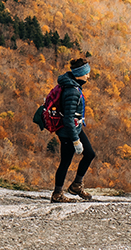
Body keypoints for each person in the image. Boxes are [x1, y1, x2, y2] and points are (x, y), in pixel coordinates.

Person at [52, 57, 97, 203]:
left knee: (89, 154)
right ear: (80, 74)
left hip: (75, 129)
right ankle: (57, 194)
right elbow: (68, 119)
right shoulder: (72, 91)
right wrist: (75, 140)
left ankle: (76, 185)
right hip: (68, 133)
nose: (88, 76)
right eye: (86, 73)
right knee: (65, 162)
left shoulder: (73, 85)